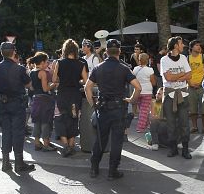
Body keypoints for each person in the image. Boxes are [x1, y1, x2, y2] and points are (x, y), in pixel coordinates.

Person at [85, 39, 142, 180]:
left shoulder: (99, 68)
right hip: (118, 108)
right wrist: (131, 100)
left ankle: (94, 168)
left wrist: (93, 104)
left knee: (100, 139)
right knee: (117, 141)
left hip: (103, 108)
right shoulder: (124, 68)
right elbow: (138, 87)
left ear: (106, 52)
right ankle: (112, 171)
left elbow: (87, 87)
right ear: (119, 51)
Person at [0, 42, 35, 173]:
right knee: (18, 133)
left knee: (6, 132)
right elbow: (29, 85)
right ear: (13, 52)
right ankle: (19, 163)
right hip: (17, 103)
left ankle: (5, 163)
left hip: (3, 104)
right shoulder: (19, 68)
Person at [53, 39, 88, 157]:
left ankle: (65, 145)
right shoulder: (81, 64)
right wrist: (77, 80)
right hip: (75, 95)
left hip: (62, 94)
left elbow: (54, 80)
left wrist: (62, 79)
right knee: (73, 118)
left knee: (61, 118)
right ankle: (72, 144)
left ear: (64, 50)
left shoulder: (59, 62)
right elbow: (85, 81)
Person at [161, 36, 193, 159]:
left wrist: (176, 76)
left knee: (184, 123)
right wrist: (181, 74)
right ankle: (172, 148)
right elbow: (168, 78)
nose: (183, 45)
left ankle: (185, 149)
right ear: (175, 46)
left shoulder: (184, 58)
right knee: (171, 123)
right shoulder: (164, 59)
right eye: (181, 43)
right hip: (169, 95)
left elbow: (189, 75)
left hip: (183, 94)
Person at [28, 52, 56, 152]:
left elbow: (31, 87)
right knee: (45, 122)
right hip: (44, 99)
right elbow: (45, 88)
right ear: (42, 62)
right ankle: (46, 143)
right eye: (47, 62)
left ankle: (36, 143)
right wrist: (53, 85)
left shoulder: (32, 72)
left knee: (37, 122)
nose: (48, 64)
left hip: (35, 99)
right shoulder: (42, 73)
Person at [186, 39, 204, 134]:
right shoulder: (187, 58)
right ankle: (194, 126)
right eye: (196, 45)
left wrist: (201, 83)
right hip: (190, 86)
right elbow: (185, 72)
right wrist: (190, 83)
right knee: (192, 109)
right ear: (191, 47)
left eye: (199, 45)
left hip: (202, 87)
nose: (199, 47)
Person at [133, 52, 155, 133]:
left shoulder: (135, 69)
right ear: (147, 60)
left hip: (138, 91)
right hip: (147, 91)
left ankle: (147, 124)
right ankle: (140, 127)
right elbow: (153, 82)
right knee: (144, 110)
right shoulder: (150, 70)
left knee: (142, 109)